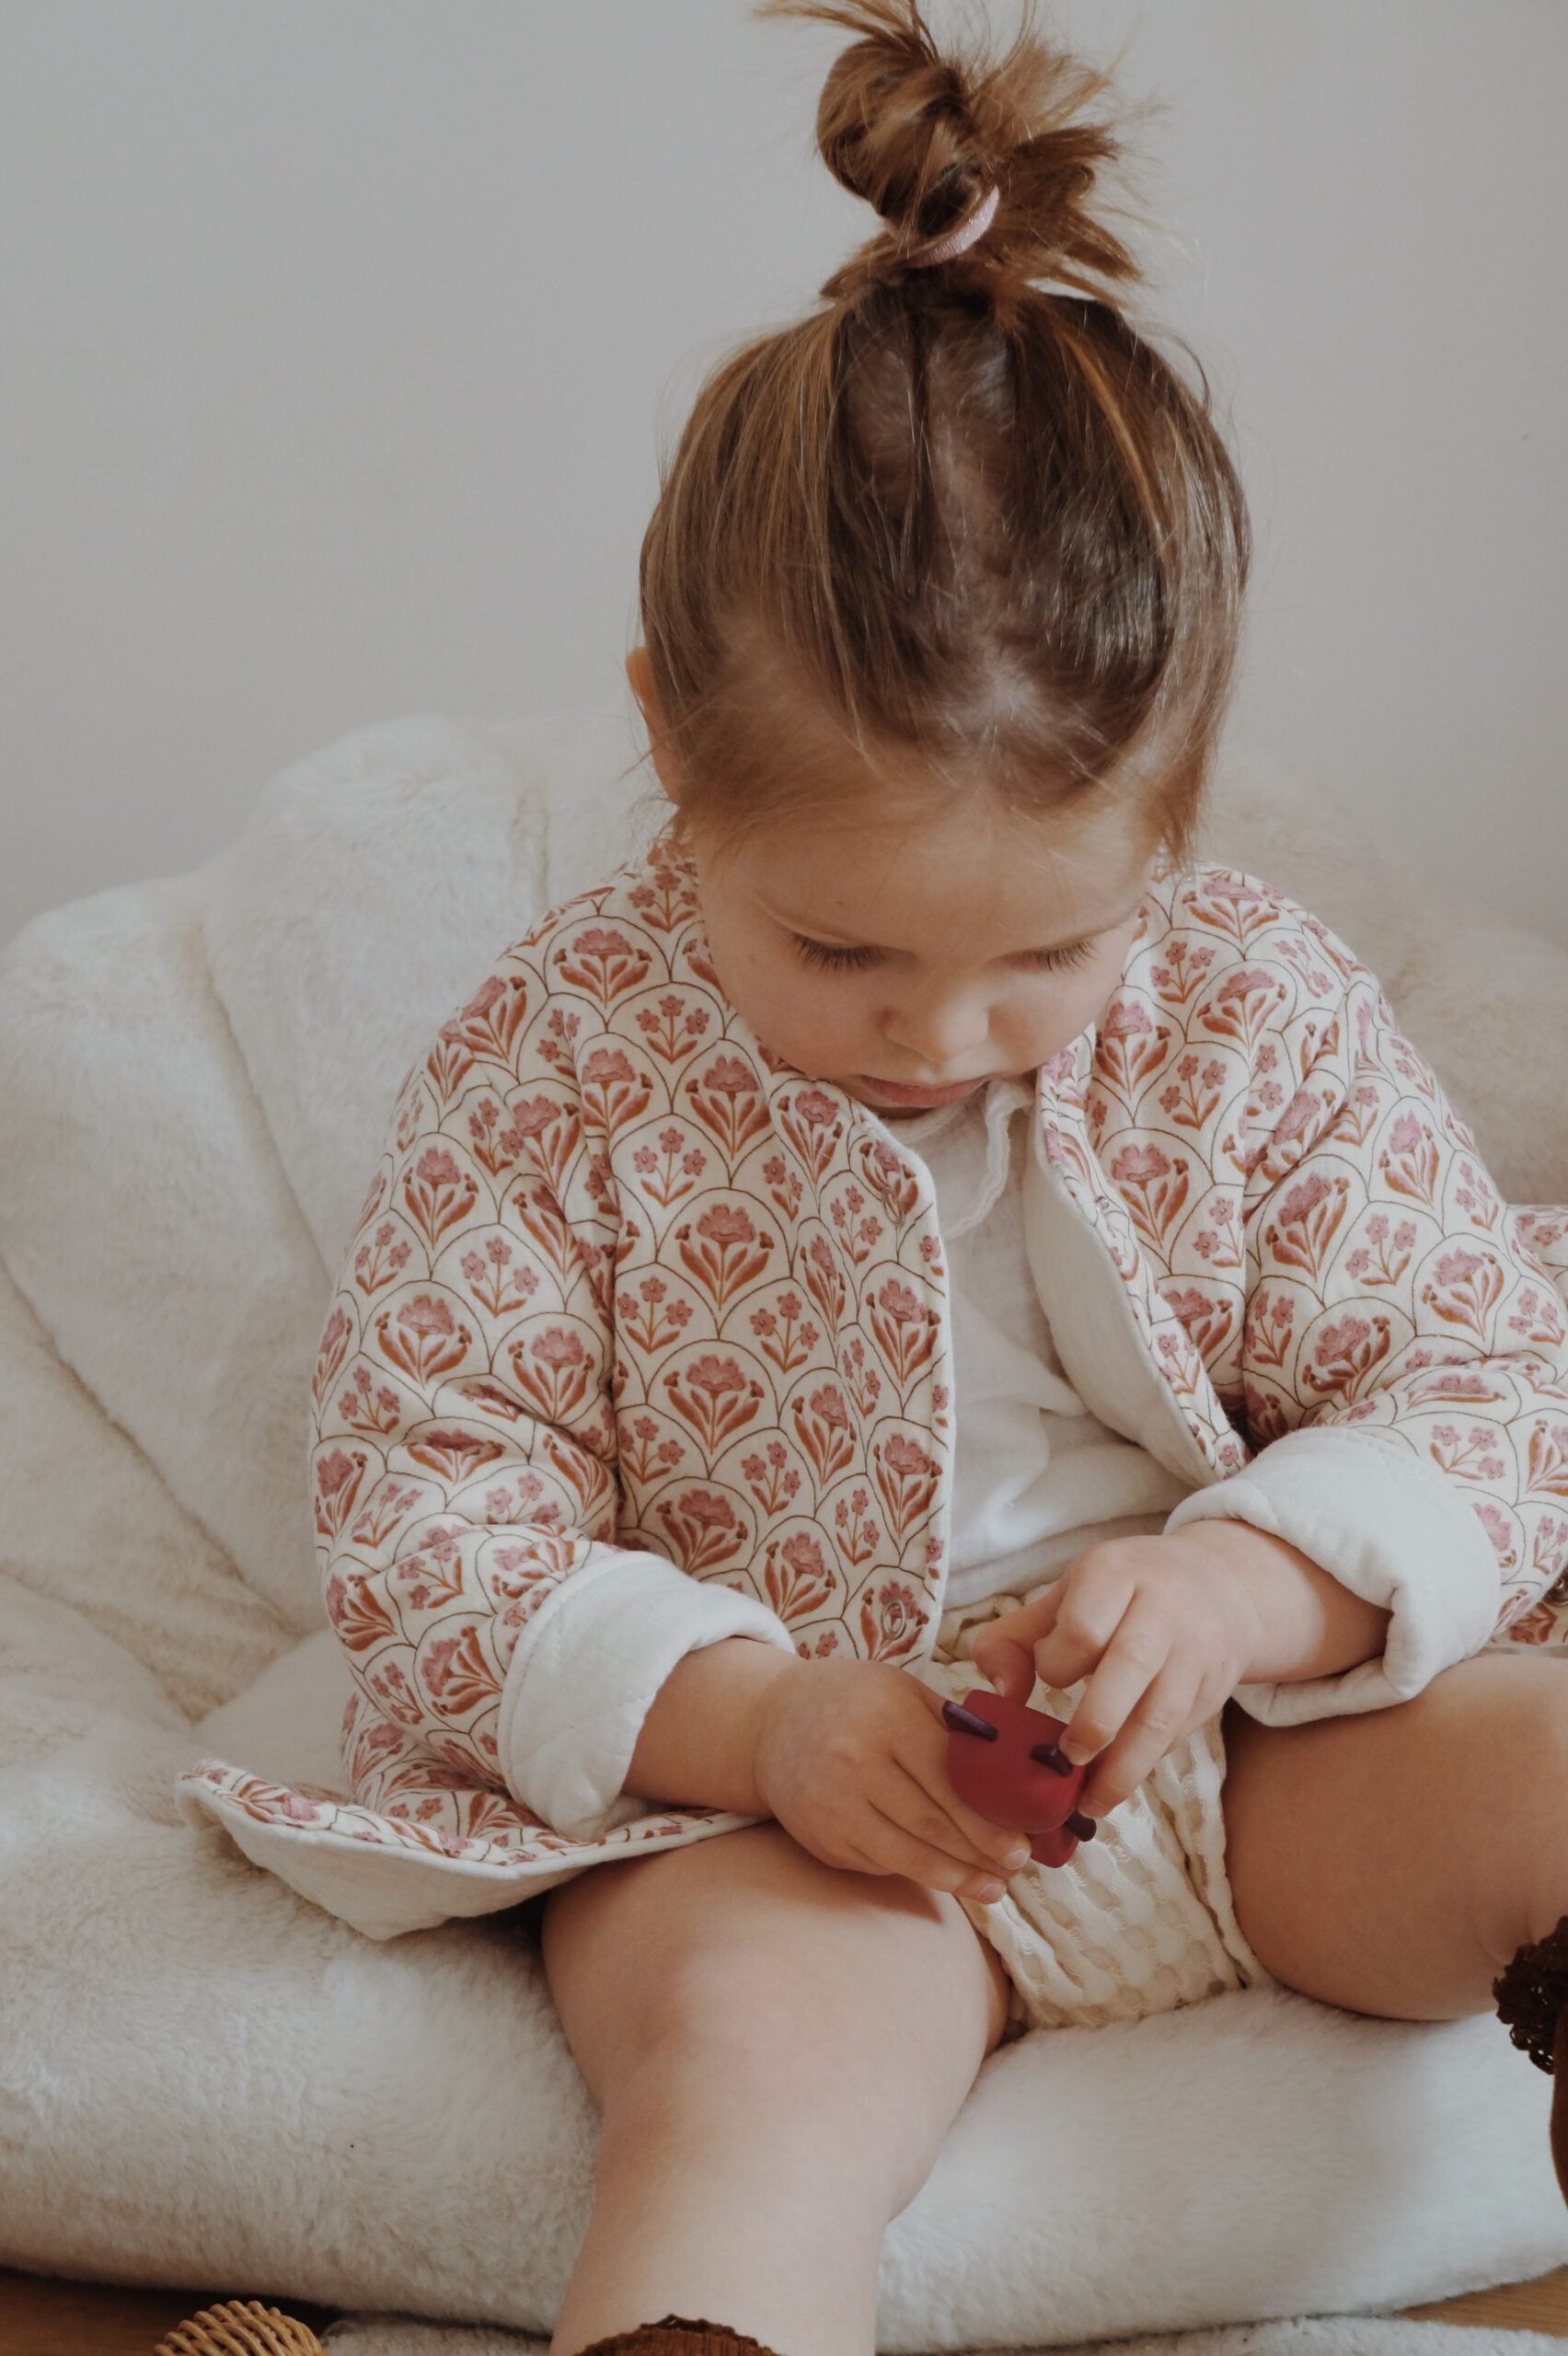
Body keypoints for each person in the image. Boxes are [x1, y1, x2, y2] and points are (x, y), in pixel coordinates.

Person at [172, 4, 1568, 2351]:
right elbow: (428, 1508)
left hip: (1269, 1759)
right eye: (841, 950)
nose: (940, 1034)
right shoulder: (561, 1066)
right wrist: (759, 1717)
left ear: (1176, 813)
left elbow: (1493, 1379)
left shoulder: (1252, 1004)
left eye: (1048, 952)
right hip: (789, 1816)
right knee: (749, 2081)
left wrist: (1246, 1587)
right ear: (666, 744)